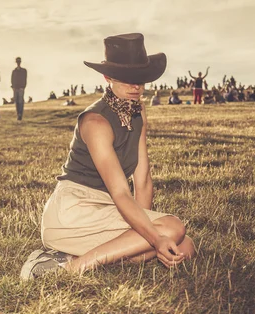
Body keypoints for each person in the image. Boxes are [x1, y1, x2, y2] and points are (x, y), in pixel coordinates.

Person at [20, 33, 195, 279]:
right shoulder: (95, 122)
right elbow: (121, 192)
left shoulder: (139, 111)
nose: (137, 87)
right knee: (173, 228)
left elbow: (142, 178)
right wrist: (153, 237)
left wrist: (141, 235)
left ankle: (67, 258)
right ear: (107, 77)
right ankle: (70, 269)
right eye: (128, 79)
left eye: (141, 79)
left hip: (107, 208)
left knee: (185, 246)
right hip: (73, 211)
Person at [11, 57, 28, 121]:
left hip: (21, 88)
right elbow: (12, 79)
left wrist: (23, 87)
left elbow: (25, 79)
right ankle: (18, 114)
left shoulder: (23, 71)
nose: (18, 63)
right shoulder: (14, 71)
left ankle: (20, 114)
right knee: (17, 101)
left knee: (20, 101)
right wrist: (13, 87)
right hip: (15, 88)